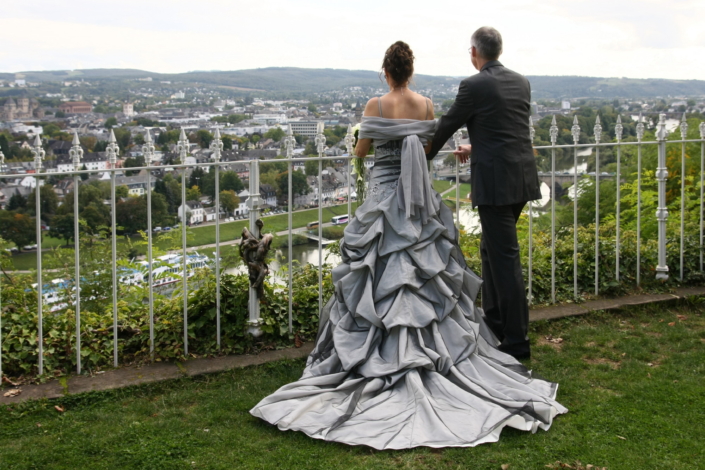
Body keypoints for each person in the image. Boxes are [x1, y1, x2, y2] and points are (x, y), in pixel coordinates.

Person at [250, 40, 565, 450]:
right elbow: (429, 150)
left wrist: (369, 140)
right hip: (419, 203)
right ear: (411, 70)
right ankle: (442, 345)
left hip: (383, 200)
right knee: (426, 271)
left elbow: (362, 152)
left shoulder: (375, 106)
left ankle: (377, 349)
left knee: (378, 271)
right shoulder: (427, 104)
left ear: (386, 72)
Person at [427, 26, 540, 360]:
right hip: (520, 179)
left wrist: (421, 157)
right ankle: (494, 323)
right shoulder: (521, 81)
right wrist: (474, 145)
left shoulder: (472, 86)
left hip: (495, 185)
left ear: (474, 52)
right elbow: (507, 131)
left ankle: (517, 340)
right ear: (499, 51)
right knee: (492, 251)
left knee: (505, 259)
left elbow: (446, 124)